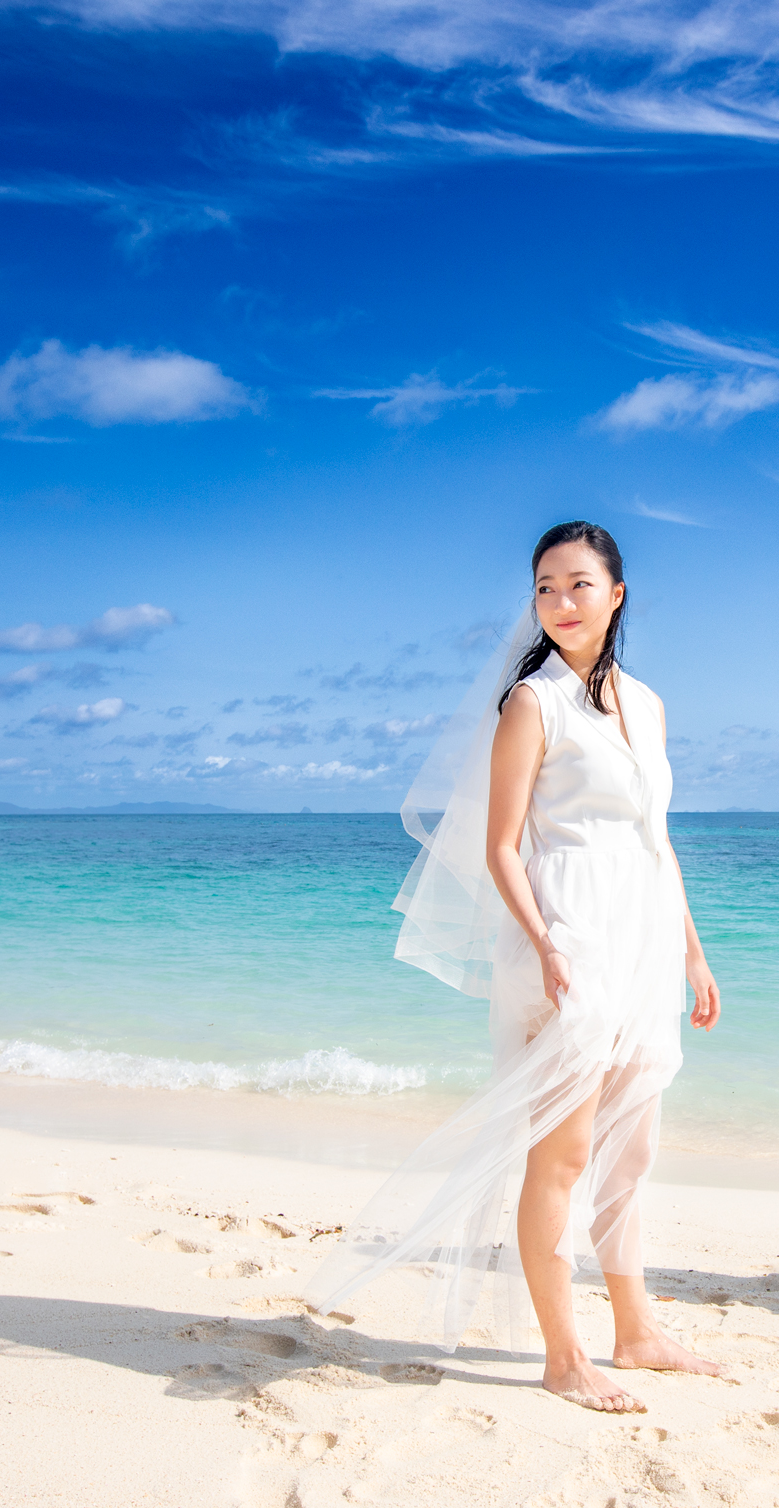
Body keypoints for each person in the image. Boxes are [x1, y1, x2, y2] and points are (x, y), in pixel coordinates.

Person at [309, 521, 724, 1413]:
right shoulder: (533, 703)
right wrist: (546, 943)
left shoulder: (648, 705)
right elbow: (500, 846)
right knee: (563, 1154)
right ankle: (563, 1356)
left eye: (579, 584)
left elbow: (656, 841)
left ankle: (637, 1331)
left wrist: (692, 951)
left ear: (617, 594)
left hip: (643, 938)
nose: (560, 603)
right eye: (544, 588)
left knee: (632, 1148)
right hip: (568, 933)